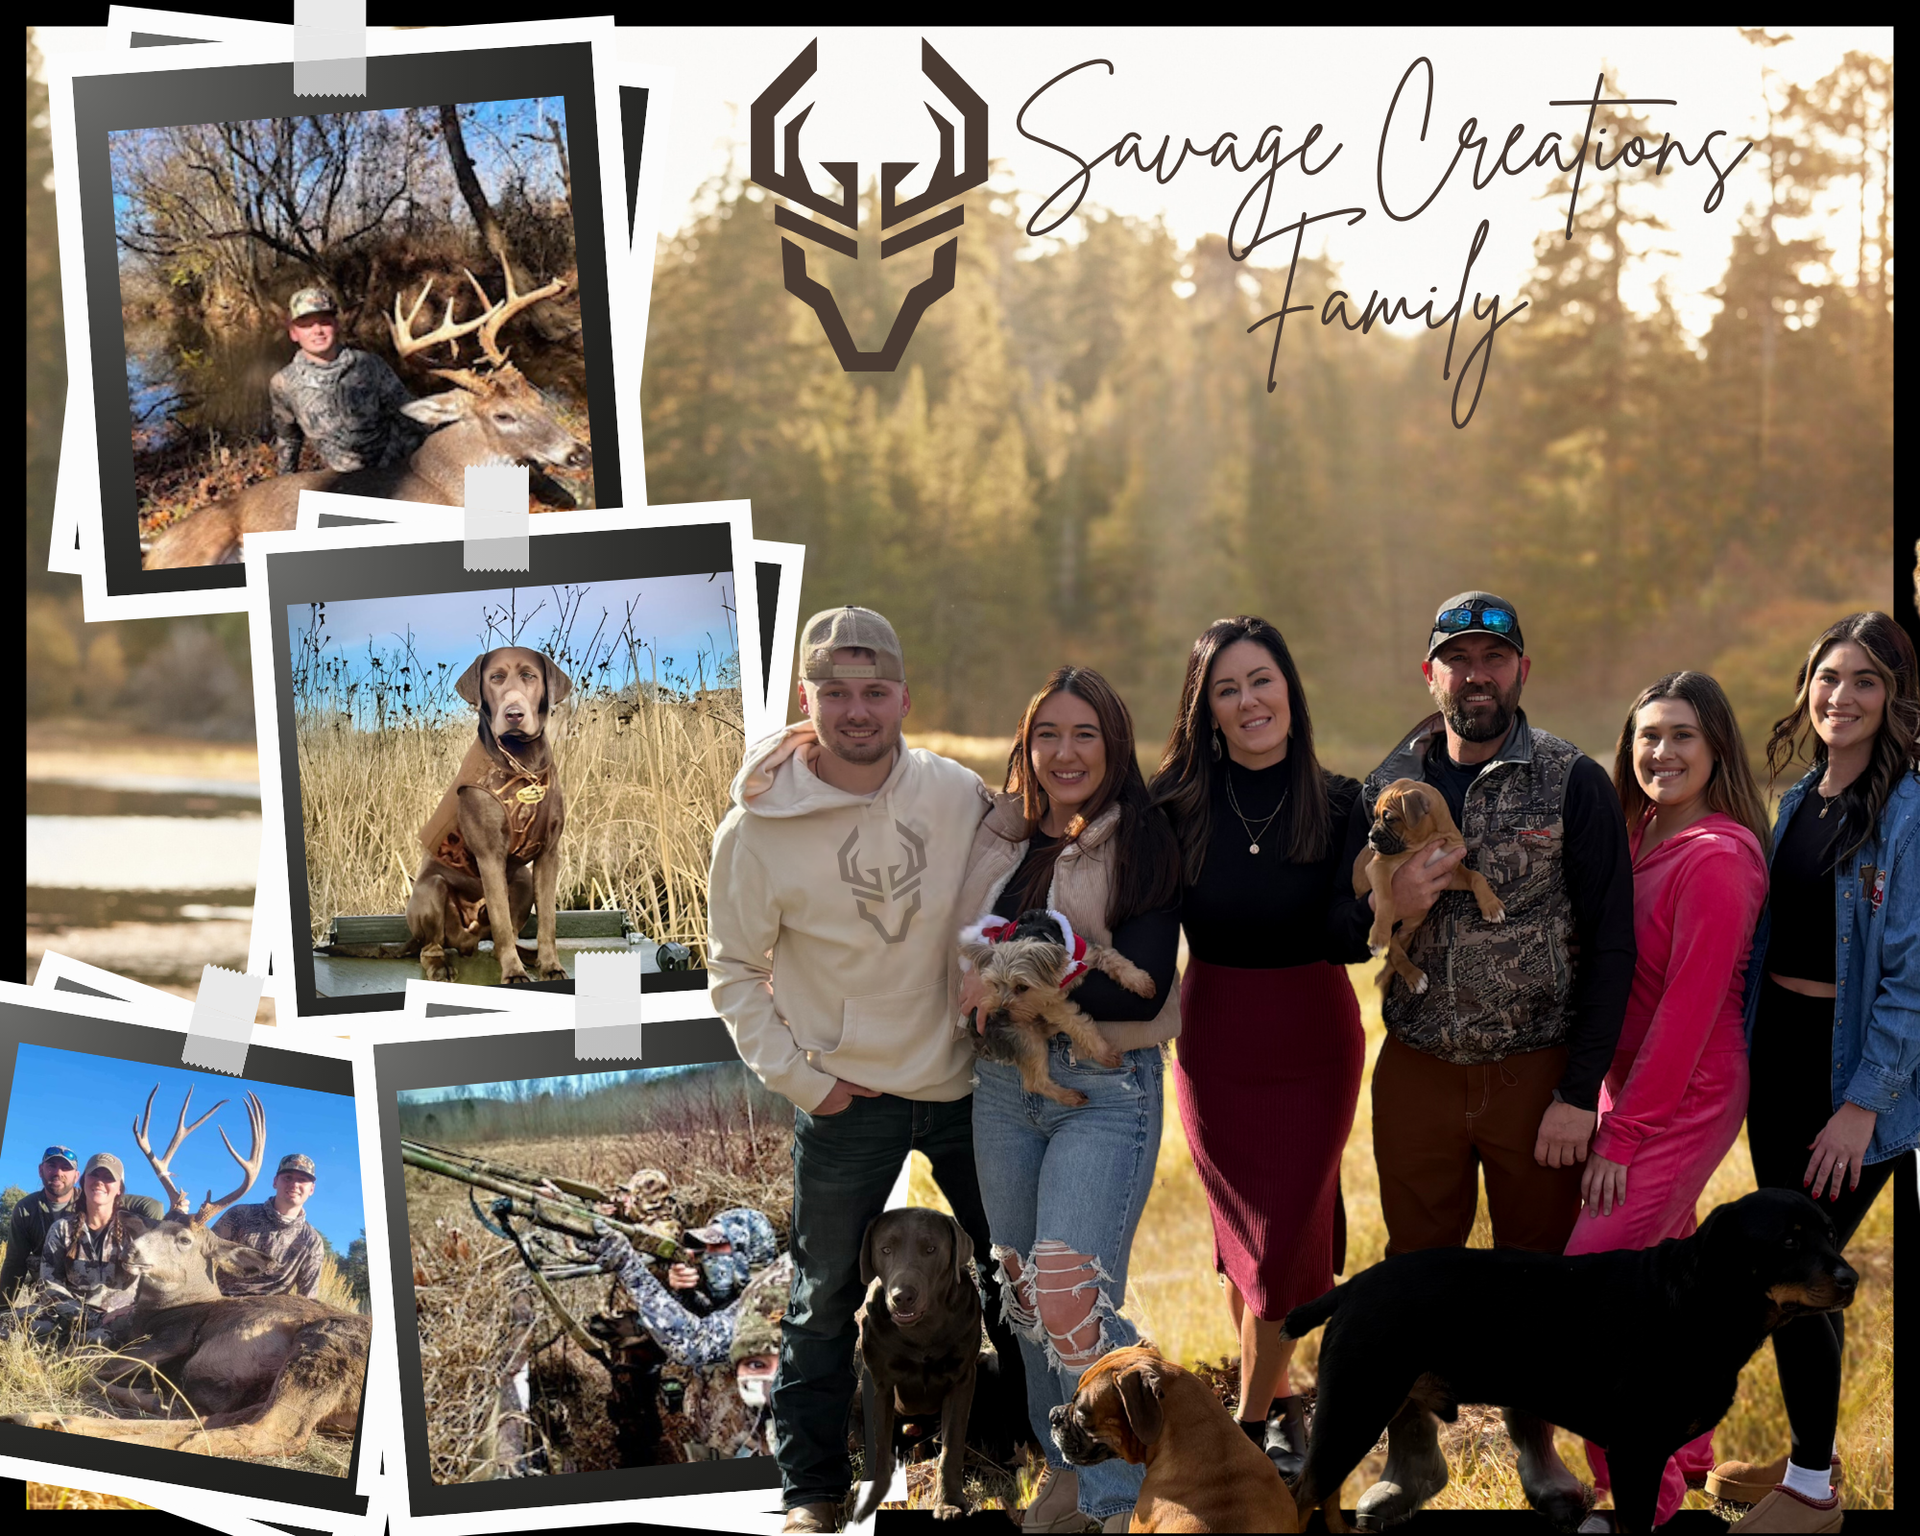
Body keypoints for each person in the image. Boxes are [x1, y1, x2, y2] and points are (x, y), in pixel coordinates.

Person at [706, 605, 1025, 1534]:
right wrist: (809, 1083)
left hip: (967, 1086)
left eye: (873, 691)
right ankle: (811, 1489)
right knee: (823, 1298)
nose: (856, 710)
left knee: (1008, 1283)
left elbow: (1024, 880)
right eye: (835, 693)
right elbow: (731, 971)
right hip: (849, 1098)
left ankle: (1017, 1451)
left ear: (903, 698)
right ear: (807, 700)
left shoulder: (954, 795)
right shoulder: (756, 831)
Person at [1331, 591, 1635, 1527]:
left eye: (1492, 659)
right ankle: (1412, 1450)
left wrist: (1580, 1092)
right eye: (1457, 660)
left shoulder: (1569, 780)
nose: (1476, 675)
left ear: (1521, 672)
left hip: (1534, 1070)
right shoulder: (1382, 784)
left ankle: (1534, 1446)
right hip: (1418, 1066)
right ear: (1431, 676)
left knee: (1535, 1272)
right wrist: (1391, 910)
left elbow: (1614, 941)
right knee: (1415, 1268)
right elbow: (1345, 930)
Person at [958, 665, 1183, 1533]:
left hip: (1104, 1083)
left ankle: (1123, 1500)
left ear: (1115, 744)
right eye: (1047, 734)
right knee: (1017, 1292)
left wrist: (1022, 986)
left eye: (1085, 733)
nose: (1065, 751)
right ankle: (1066, 1472)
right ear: (1026, 748)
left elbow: (1145, 986)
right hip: (1004, 1084)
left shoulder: (1142, 836)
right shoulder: (998, 837)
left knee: (1068, 1293)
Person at [1709, 613, 1920, 1535]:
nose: (1841, 697)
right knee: (1798, 1262)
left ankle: (1811, 1492)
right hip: (1783, 1055)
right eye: (1829, 677)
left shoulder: (1910, 811)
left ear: (1896, 699)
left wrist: (1859, 1111)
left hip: (1853, 1075)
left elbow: (1913, 983)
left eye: (1866, 681)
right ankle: (1812, 1454)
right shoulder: (1802, 795)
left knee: (1799, 1273)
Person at [1148, 617, 1372, 1481]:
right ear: (1206, 710)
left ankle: (1241, 1431)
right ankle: (1280, 1406)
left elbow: (1350, 936)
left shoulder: (1341, 801)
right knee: (1250, 1238)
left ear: (1291, 690)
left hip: (1313, 1037)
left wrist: (1396, 904)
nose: (1250, 702)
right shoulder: (1175, 807)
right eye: (1228, 689)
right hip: (1216, 1041)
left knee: (1284, 1241)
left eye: (1262, 681)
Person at [1563, 672, 1772, 1531]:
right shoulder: (1643, 830)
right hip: (1636, 1090)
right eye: (1648, 736)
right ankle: (1682, 1464)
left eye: (1683, 735)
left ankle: (1640, 1499)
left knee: (1591, 1292)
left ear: (1718, 745)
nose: (1662, 753)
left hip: (1684, 1092)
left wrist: (1624, 1136)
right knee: (1666, 1283)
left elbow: (1687, 1014)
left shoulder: (1719, 858)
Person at [594, 1207, 793, 1459]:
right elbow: (713, 1320)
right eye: (704, 1249)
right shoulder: (740, 1294)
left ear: (749, 1252)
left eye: (718, 1247)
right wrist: (684, 1295)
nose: (706, 1256)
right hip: (724, 1441)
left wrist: (629, 1268)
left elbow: (695, 1343)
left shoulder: (774, 1294)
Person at [269, 287, 425, 474]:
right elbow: (289, 441)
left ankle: (472, 497)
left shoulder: (369, 364)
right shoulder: (283, 383)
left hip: (397, 470)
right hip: (342, 483)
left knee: (466, 472)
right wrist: (285, 484)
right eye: (307, 325)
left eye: (324, 322)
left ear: (336, 325)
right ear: (293, 333)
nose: (317, 330)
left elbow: (410, 414)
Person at [36, 1153, 166, 1340]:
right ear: (83, 1181)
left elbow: (159, 1279)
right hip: (70, 1316)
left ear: (119, 1189)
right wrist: (92, 1317)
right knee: (8, 1323)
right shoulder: (62, 1229)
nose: (99, 1182)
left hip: (119, 1321)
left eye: (108, 1178)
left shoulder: (137, 1233)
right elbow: (51, 1285)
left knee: (98, 1344)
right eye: (94, 1175)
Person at [211, 1152, 326, 1298]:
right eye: (288, 1177)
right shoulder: (240, 1214)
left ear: (311, 1189)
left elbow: (308, 1297)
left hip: (272, 1314)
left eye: (302, 1180)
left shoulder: (312, 1241)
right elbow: (202, 1249)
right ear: (275, 1182)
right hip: (222, 1304)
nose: (294, 1184)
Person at [1, 1146, 80, 1305]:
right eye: (52, 1166)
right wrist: (3, 1308)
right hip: (48, 1290)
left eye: (65, 1168)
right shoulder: (25, 1208)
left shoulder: (90, 1203)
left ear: (76, 1176)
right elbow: (14, 1264)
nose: (58, 1173)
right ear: (40, 1170)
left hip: (85, 1285)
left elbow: (132, 1202)